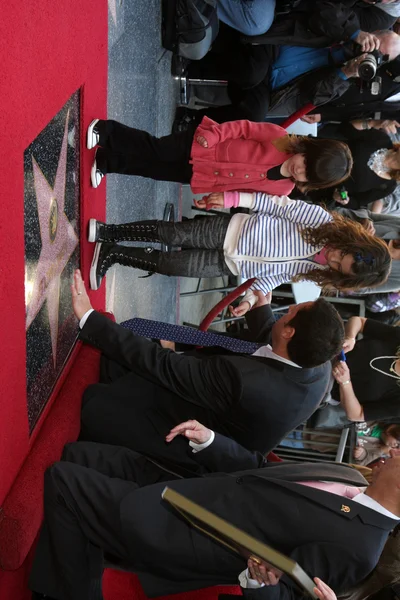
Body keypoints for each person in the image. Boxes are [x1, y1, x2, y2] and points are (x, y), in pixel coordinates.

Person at [29, 421, 399, 600]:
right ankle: (84, 555)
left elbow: (290, 593)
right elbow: (261, 470)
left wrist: (260, 582)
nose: (395, 450)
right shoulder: (350, 474)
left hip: (181, 535)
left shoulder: (361, 547)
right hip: (189, 490)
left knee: (62, 481)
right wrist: (211, 441)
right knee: (78, 456)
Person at [71, 269, 343, 472]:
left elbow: (164, 366)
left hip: (185, 439)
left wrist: (89, 318)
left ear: (289, 331)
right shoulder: (317, 362)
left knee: (93, 404)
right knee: (121, 357)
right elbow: (276, 347)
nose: (292, 305)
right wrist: (262, 310)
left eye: (294, 311)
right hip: (219, 407)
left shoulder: (244, 381)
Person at [87, 194, 391, 315]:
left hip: (228, 263)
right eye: (342, 255)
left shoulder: (318, 274)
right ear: (353, 241)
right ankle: (109, 231)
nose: (334, 258)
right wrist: (234, 197)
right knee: (172, 233)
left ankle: (114, 254)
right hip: (232, 230)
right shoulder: (322, 222)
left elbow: (272, 278)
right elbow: (276, 204)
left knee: (170, 265)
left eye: (340, 266)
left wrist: (248, 300)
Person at [172, 30, 400, 129]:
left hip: (272, 84)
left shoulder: (353, 77)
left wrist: (346, 72)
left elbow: (316, 95)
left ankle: (192, 120)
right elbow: (325, 15)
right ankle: (192, 65)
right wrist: (353, 34)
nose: (373, 53)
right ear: (375, 33)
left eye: (382, 57)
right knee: (252, 70)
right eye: (378, 45)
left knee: (255, 115)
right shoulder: (349, 26)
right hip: (272, 47)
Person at [87, 117, 352, 195]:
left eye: (308, 175)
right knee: (156, 148)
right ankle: (106, 131)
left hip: (205, 177)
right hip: (203, 145)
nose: (300, 170)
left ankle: (107, 161)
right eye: (306, 162)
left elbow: (246, 194)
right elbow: (244, 127)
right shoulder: (280, 137)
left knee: (153, 170)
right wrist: (214, 135)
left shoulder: (283, 189)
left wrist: (220, 198)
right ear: (309, 149)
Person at [302, 121, 400, 209]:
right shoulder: (382, 140)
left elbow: (357, 202)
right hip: (310, 152)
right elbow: (346, 128)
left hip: (314, 185)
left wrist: (344, 200)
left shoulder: (388, 186)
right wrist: (371, 123)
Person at [332, 316, 400, 422]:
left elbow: (356, 415)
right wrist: (350, 337)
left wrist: (345, 382)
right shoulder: (397, 339)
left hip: (327, 387)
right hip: (329, 350)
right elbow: (359, 321)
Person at [335, 207, 400, 293]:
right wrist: (366, 220)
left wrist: (362, 239)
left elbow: (361, 288)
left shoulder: (398, 279)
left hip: (328, 262)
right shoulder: (398, 224)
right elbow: (367, 214)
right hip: (333, 228)